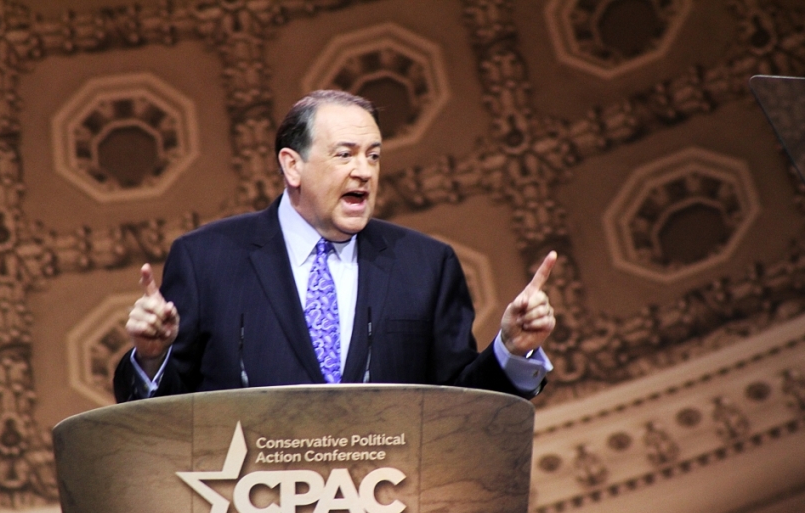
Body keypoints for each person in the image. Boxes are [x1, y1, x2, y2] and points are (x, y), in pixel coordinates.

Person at [113, 90, 556, 403]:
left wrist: (511, 351)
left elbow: (461, 406)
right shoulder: (208, 259)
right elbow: (163, 418)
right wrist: (151, 359)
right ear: (292, 165)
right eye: (345, 155)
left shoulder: (425, 265)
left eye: (374, 155)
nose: (364, 171)